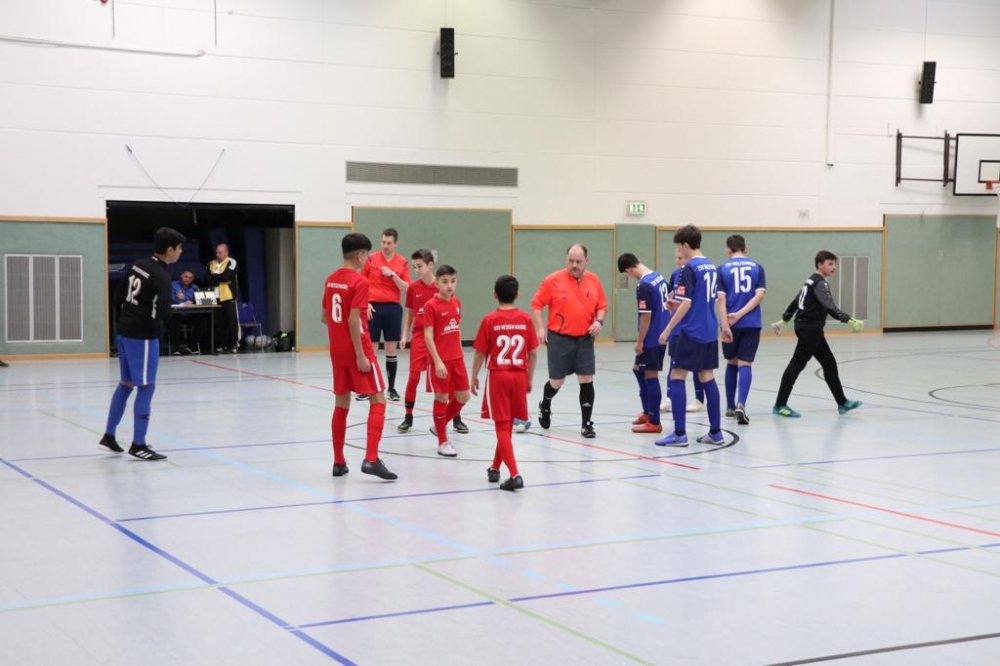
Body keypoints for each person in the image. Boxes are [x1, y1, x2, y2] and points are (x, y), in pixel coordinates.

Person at [98, 227, 187, 460]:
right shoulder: (162, 276)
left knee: (126, 383)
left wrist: (128, 317)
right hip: (143, 336)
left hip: (124, 332)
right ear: (169, 250)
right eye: (179, 249)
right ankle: (139, 444)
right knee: (146, 387)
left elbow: (119, 296)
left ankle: (109, 435)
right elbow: (165, 312)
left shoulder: (137, 265)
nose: (181, 252)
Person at [321, 232, 398, 480]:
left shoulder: (331, 280)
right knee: (379, 399)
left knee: (341, 403)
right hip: (359, 350)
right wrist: (361, 355)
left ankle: (338, 462)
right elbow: (354, 320)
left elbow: (325, 317)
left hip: (337, 351)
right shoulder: (359, 282)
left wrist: (340, 337)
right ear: (361, 255)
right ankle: (371, 459)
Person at [655, 225, 732, 447]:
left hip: (690, 331)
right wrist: (678, 305)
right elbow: (708, 299)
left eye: (679, 247)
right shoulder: (711, 266)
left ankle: (679, 433)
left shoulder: (687, 269)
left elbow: (687, 303)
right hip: (708, 330)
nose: (679, 251)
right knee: (707, 376)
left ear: (685, 245)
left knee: (677, 376)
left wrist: (668, 328)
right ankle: (716, 432)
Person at [771, 251, 864, 417]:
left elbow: (796, 301)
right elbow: (829, 306)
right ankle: (780, 405)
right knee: (797, 364)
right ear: (820, 264)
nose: (834, 267)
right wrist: (850, 320)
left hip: (809, 328)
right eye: (830, 264)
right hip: (810, 329)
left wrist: (785, 320)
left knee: (829, 363)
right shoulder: (820, 283)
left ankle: (842, 403)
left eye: (834, 264)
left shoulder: (810, 281)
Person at [531, 244, 608, 439]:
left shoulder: (594, 280)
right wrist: (540, 328)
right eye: (571, 261)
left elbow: (602, 305)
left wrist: (598, 321)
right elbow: (537, 303)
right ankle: (545, 404)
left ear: (586, 261)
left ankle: (586, 424)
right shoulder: (552, 280)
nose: (574, 265)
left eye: (578, 261)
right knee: (557, 381)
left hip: (585, 338)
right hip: (559, 338)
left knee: (586, 378)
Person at [471, 275, 539, 491]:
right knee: (507, 424)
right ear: (517, 295)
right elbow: (533, 352)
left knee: (501, 426)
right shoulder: (526, 319)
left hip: (498, 376)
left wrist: (473, 376)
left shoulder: (489, 320)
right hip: (519, 375)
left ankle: (515, 474)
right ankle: (495, 467)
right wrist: (529, 378)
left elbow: (480, 353)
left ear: (494, 295)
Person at [716, 235, 766, 425]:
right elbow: (759, 296)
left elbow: (721, 300)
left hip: (730, 323)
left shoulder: (722, 269)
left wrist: (725, 324)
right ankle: (741, 404)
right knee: (745, 363)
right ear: (746, 249)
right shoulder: (757, 267)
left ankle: (729, 407)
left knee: (732, 362)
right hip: (751, 322)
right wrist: (741, 314)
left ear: (728, 249)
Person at [617, 252, 669, 434]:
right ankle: (647, 412)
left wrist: (640, 342)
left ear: (629, 270)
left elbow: (646, 316)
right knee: (638, 370)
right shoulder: (658, 277)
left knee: (650, 375)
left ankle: (654, 421)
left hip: (652, 338)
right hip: (661, 333)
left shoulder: (644, 285)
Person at [359, 228, 411, 402]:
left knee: (390, 349)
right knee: (371, 348)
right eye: (383, 242)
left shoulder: (402, 263)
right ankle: (368, 388)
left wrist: (393, 274)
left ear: (395, 244)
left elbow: (407, 288)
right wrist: (365, 303)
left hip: (392, 308)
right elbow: (360, 282)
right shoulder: (371, 259)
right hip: (372, 308)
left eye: (389, 243)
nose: (385, 246)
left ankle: (392, 388)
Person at [422, 265, 470, 457]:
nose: (449, 285)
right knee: (441, 397)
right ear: (437, 283)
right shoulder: (430, 306)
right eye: (445, 282)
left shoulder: (457, 302)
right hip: (440, 360)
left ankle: (439, 425)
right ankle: (442, 441)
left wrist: (460, 352)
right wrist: (437, 361)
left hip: (457, 359)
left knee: (464, 396)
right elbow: (428, 335)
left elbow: (456, 328)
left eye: (453, 281)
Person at [397, 249, 438, 432]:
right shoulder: (413, 288)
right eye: (414, 267)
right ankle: (408, 416)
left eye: (419, 266)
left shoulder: (441, 287)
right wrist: (404, 335)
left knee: (445, 378)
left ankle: (455, 417)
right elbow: (410, 313)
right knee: (414, 377)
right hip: (420, 336)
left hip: (438, 337)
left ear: (430, 265)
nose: (416, 270)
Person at [207, 243, 239, 353]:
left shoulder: (232, 262)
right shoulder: (211, 263)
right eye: (216, 252)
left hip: (228, 295)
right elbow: (207, 278)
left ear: (226, 252)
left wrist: (215, 276)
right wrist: (220, 278)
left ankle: (233, 344)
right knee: (218, 323)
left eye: (220, 253)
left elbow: (227, 276)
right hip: (215, 297)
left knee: (231, 321)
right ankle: (221, 345)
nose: (217, 255)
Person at [169, 269, 206, 355]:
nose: (188, 279)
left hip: (189, 313)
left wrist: (193, 302)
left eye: (190, 278)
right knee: (174, 322)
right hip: (176, 313)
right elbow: (169, 298)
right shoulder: (173, 285)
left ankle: (191, 345)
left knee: (203, 322)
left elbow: (198, 301)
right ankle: (176, 348)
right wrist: (181, 302)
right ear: (181, 276)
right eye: (186, 277)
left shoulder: (195, 288)